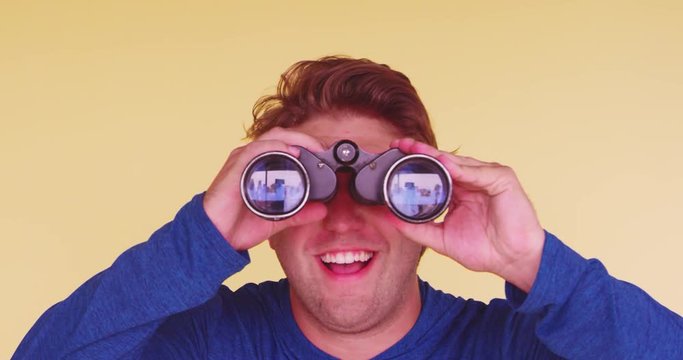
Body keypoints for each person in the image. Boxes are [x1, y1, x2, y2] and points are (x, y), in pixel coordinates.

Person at [13, 56, 683, 359]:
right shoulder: (204, 343)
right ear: (265, 226)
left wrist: (535, 263)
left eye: (379, 186)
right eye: (297, 191)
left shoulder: (509, 347)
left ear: (429, 208)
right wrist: (202, 237)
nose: (339, 219)